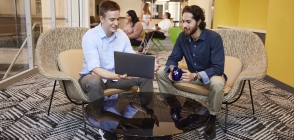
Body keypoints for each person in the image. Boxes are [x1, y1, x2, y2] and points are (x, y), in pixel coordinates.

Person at [78, 0, 160, 119]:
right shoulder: (90, 37)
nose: (116, 23)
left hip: (116, 77)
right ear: (102, 18)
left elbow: (132, 58)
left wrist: (148, 67)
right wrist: (118, 76)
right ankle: (102, 118)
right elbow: (95, 69)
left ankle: (140, 108)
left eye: (118, 19)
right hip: (93, 77)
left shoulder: (121, 35)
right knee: (94, 81)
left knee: (145, 76)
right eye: (112, 20)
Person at [156, 5, 225, 139]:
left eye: (188, 22)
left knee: (218, 84)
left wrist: (197, 75)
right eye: (183, 21)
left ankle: (212, 118)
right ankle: (173, 106)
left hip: (209, 76)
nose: (184, 25)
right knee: (160, 73)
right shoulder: (183, 37)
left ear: (199, 21)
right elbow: (173, 58)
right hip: (190, 75)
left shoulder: (214, 38)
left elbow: (218, 67)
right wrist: (171, 68)